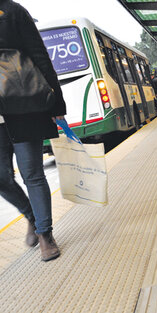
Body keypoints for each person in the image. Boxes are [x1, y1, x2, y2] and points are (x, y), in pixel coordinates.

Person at [0, 0, 65, 261]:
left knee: (32, 174)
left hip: (23, 105)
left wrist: (56, 100)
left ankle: (44, 234)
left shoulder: (13, 11)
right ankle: (30, 214)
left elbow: (39, 54)